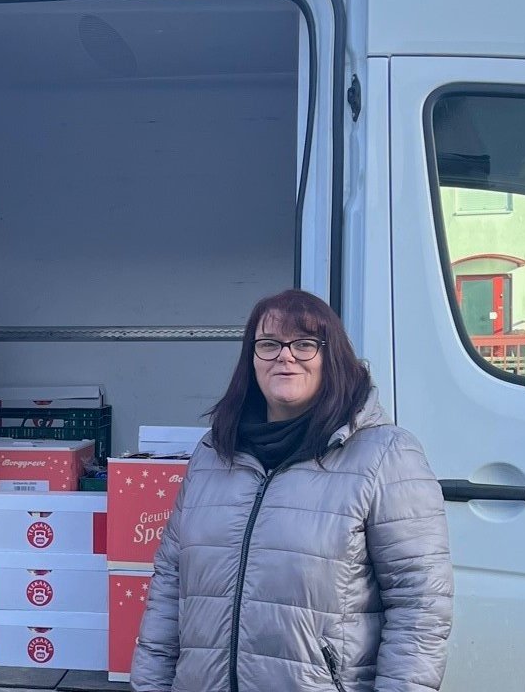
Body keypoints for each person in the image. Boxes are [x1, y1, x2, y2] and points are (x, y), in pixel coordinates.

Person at [131, 289, 452, 692]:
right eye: (269, 344)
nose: (285, 357)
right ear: (251, 360)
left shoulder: (385, 454)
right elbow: (169, 585)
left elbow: (420, 605)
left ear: (332, 356)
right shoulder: (214, 453)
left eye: (304, 344)